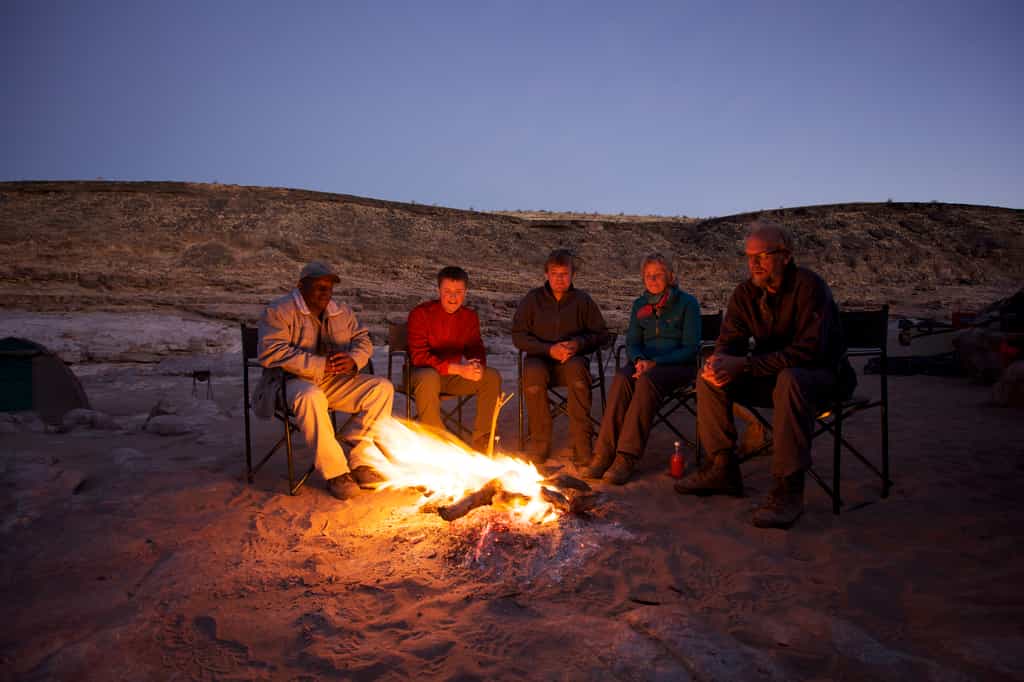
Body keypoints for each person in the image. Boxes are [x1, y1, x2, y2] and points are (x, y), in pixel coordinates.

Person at [674, 222, 855, 528]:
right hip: (771, 378)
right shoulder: (745, 293)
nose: (754, 263)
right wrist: (719, 361)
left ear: (786, 255)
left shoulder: (809, 287)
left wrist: (745, 365)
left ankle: (788, 489)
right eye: (749, 256)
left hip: (823, 378)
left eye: (763, 255)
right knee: (709, 378)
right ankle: (722, 467)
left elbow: (808, 353)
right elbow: (730, 341)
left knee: (791, 379)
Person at [255, 261, 394, 500]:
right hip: (288, 382)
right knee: (310, 396)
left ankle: (362, 460)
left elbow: (363, 340)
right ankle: (336, 473)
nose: (325, 293)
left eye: (329, 288)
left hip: (330, 381)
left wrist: (353, 359)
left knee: (381, 388)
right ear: (301, 286)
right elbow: (272, 352)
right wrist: (319, 364)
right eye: (319, 287)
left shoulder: (341, 311)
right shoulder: (279, 310)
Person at [584, 254, 701, 484]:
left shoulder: (688, 304)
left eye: (658, 274)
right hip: (645, 363)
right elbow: (632, 342)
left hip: (677, 366)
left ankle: (626, 457)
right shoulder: (640, 305)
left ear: (671, 276)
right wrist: (638, 359)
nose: (652, 279)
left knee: (647, 381)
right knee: (622, 377)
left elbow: (690, 348)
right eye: (648, 275)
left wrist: (655, 363)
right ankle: (604, 453)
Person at [512, 249, 610, 464]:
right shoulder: (533, 299)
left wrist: (578, 344)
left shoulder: (583, 301)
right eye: (554, 274)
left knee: (578, 371)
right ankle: (540, 443)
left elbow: (602, 334)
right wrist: (548, 349)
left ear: (573, 274)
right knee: (532, 372)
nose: (559, 279)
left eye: (564, 274)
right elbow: (518, 336)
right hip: (540, 359)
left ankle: (582, 444)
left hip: (572, 361)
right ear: (546, 274)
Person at [406, 266, 502, 451]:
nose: (453, 297)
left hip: (451, 377)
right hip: (420, 376)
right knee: (428, 377)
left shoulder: (469, 317)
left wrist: (476, 366)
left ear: (465, 292)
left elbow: (475, 348)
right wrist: (458, 369)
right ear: (438, 290)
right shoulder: (421, 314)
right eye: (447, 291)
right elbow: (419, 357)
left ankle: (483, 443)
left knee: (490, 377)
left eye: (458, 292)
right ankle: (438, 444)